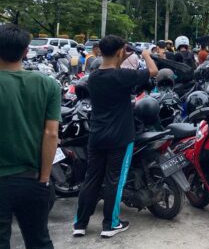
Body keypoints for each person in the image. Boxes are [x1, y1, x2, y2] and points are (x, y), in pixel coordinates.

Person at [73, 35, 158, 238]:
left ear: (100, 51)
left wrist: (119, 55)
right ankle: (110, 225)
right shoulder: (124, 77)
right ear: (120, 51)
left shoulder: (93, 77)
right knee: (114, 180)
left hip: (96, 135)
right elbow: (153, 71)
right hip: (120, 136)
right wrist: (145, 54)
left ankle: (80, 224)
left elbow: (112, 69)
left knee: (91, 179)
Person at [0, 24, 60, 249]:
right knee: (39, 241)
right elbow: (51, 133)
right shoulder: (48, 85)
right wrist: (44, 178)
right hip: (33, 178)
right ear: (26, 51)